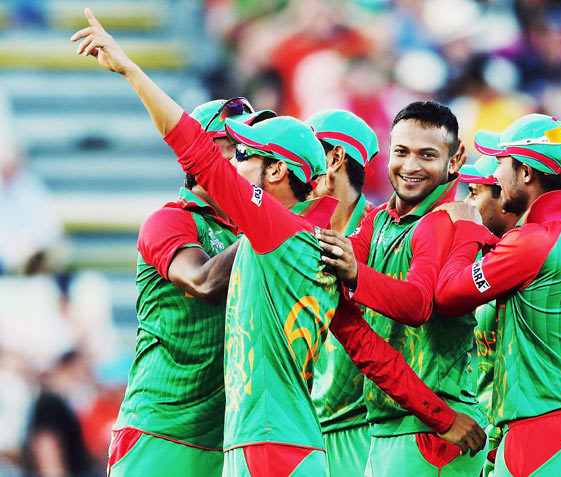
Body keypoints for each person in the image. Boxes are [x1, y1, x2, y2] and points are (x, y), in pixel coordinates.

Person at [72, 10, 485, 476]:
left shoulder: (276, 230)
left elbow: (196, 150)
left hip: (262, 447)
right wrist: (443, 417)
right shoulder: (317, 244)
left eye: (245, 154)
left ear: (274, 171)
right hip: (289, 445)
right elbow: (371, 352)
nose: (234, 164)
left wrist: (131, 70)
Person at [435, 113, 561, 476]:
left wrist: (466, 229)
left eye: (502, 163)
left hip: (541, 438)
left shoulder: (532, 241)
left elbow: (446, 295)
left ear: (525, 173)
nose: (497, 175)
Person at [317, 101, 488, 476]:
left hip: (435, 430)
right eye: (401, 152)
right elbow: (334, 260)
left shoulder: (442, 222)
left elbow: (417, 304)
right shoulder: (379, 220)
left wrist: (354, 274)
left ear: (455, 158)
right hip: (394, 423)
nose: (410, 166)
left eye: (427, 155)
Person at [107, 99, 271, 476]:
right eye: (243, 152)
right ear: (204, 157)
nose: (258, 163)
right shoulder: (169, 221)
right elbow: (203, 281)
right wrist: (274, 223)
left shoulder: (246, 231)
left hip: (229, 439)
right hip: (160, 432)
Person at [306, 110, 378, 476]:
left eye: (308, 151)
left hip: (361, 433)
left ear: (334, 158)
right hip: (301, 430)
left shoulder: (382, 233)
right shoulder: (295, 231)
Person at [458, 154, 521, 476]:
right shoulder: (491, 255)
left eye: (474, 192)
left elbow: (445, 296)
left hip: (520, 438)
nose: (467, 203)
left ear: (504, 197)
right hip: (490, 436)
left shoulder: (522, 255)